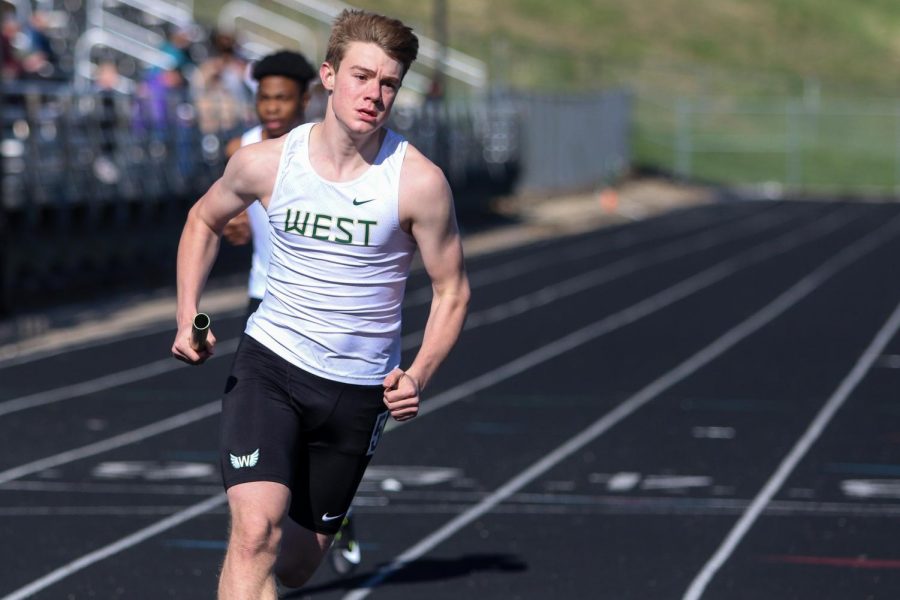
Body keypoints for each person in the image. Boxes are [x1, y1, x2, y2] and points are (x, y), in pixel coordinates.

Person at [171, 9, 470, 599]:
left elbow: (452, 290)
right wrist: (188, 315)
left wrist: (419, 376)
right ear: (329, 77)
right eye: (362, 77)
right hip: (271, 365)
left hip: (357, 390)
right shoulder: (266, 162)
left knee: (294, 567)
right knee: (254, 533)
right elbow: (203, 220)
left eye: (389, 83)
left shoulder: (418, 182)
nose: (374, 94)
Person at [220, 48, 363, 577]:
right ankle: (265, 518)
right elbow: (227, 216)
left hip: (325, 310)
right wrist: (233, 228)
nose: (271, 108)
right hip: (267, 299)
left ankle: (326, 511)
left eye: (282, 98)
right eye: (263, 98)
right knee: (270, 428)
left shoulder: (327, 152)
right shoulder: (245, 149)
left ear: (307, 99)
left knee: (313, 433)